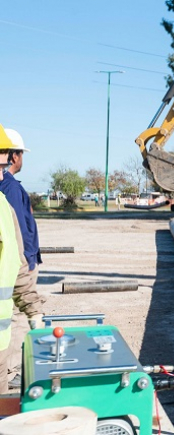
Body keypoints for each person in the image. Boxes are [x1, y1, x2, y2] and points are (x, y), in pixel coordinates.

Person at [0, 126, 46, 389]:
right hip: (22, 263)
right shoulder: (11, 192)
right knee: (16, 319)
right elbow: (17, 237)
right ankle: (11, 370)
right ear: (14, 155)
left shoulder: (5, 193)